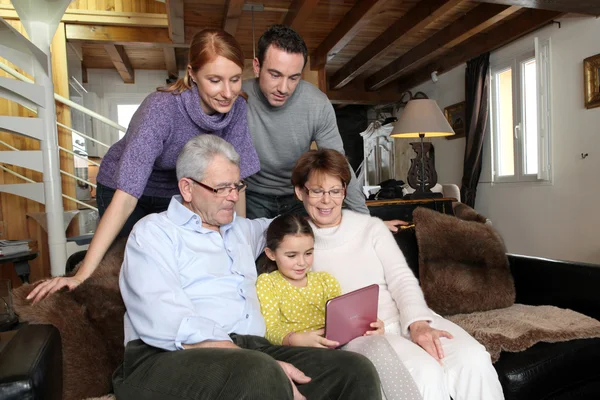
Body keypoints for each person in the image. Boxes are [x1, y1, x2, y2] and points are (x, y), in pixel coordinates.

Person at [113, 135, 382, 400]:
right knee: (261, 373)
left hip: (252, 350)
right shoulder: (154, 233)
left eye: (236, 186)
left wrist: (326, 199)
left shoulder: (241, 229)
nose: (232, 197)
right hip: (168, 356)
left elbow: (292, 227)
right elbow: (168, 320)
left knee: (355, 370)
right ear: (187, 188)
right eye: (221, 188)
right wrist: (248, 358)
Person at [27, 29, 260, 303]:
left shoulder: (238, 109)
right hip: (124, 189)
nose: (228, 92)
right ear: (192, 74)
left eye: (234, 80)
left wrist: (240, 245)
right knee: (126, 266)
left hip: (176, 192)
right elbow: (126, 197)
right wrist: (82, 275)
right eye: (215, 80)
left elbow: (237, 181)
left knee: (175, 264)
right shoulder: (161, 108)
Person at [291, 149, 505, 400]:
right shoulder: (294, 242)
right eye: (317, 191)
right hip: (361, 336)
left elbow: (401, 278)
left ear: (344, 192)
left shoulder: (370, 227)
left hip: (404, 318)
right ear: (300, 192)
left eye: (335, 190)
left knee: (473, 359)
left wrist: (417, 323)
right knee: (424, 373)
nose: (327, 200)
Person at [256, 213, 422, 400]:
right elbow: (270, 329)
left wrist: (368, 324)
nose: (302, 262)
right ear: (271, 254)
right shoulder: (267, 283)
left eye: (309, 253)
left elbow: (344, 316)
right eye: (291, 255)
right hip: (300, 351)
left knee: (376, 345)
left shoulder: (324, 280)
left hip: (337, 344)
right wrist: (295, 339)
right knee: (358, 366)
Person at [242, 24, 368, 219]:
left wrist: (366, 221)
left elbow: (339, 165)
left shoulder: (316, 103)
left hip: (299, 195)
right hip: (251, 195)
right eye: (275, 75)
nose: (283, 88)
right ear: (257, 67)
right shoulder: (238, 99)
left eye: (294, 78)